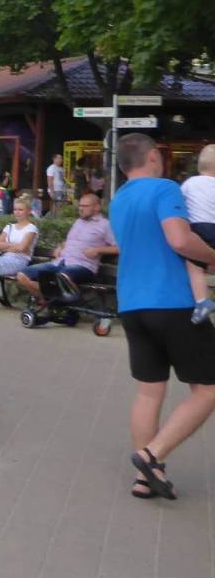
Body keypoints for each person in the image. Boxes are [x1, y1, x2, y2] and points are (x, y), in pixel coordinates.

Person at [108, 133, 215, 501]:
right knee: (209, 388)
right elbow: (180, 240)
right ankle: (151, 455)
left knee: (149, 391)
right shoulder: (165, 189)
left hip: (132, 304)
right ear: (153, 156)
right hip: (173, 302)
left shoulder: (119, 199)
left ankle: (146, 478)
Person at [13, 191, 117, 303]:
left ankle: (63, 302)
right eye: (80, 206)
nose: (81, 209)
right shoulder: (78, 222)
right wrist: (60, 246)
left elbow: (119, 247)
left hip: (82, 266)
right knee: (22, 276)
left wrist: (98, 250)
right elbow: (71, 241)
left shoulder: (105, 225)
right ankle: (52, 301)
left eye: (85, 206)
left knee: (62, 278)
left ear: (97, 207)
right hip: (60, 262)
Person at [180, 143, 215, 324]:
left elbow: (180, 203)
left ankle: (202, 301)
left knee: (194, 266)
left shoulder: (190, 183)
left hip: (199, 228)